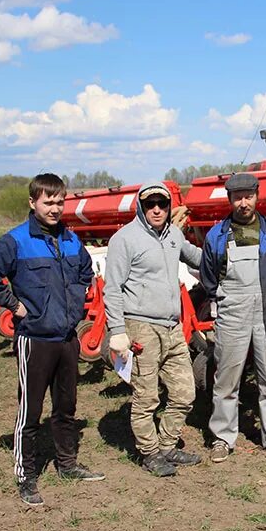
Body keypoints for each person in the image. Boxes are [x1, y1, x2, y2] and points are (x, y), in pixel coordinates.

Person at [0, 173, 104, 506]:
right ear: (33, 203)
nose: (55, 208)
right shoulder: (16, 241)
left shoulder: (72, 240)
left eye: (60, 202)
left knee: (66, 407)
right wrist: (14, 305)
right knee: (30, 411)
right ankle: (26, 476)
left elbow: (87, 271)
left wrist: (76, 301)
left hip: (67, 338)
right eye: (48, 202)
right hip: (35, 339)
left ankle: (67, 464)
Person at [200, 173, 266, 463]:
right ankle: (222, 437)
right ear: (230, 199)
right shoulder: (217, 236)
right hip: (232, 312)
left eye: (248, 196)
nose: (243, 203)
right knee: (227, 378)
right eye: (237, 197)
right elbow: (209, 277)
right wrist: (224, 300)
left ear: (257, 197)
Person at [104, 181, 205, 476]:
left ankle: (167, 445)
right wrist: (117, 330)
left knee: (185, 392)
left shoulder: (174, 234)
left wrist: (225, 252)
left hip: (172, 327)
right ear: (141, 207)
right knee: (147, 396)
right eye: (151, 204)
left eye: (162, 203)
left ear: (169, 205)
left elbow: (196, 257)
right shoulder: (124, 239)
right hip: (141, 327)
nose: (157, 209)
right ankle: (149, 453)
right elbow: (112, 289)